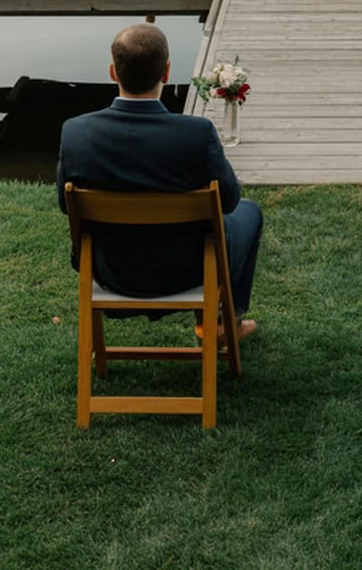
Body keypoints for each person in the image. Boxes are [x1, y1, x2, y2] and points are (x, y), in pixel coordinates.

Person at [57, 23, 262, 336]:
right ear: (166, 72)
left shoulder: (76, 133)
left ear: (113, 72)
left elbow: (64, 204)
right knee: (250, 211)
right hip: (190, 272)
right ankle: (224, 325)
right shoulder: (196, 134)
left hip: (111, 273)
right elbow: (230, 200)